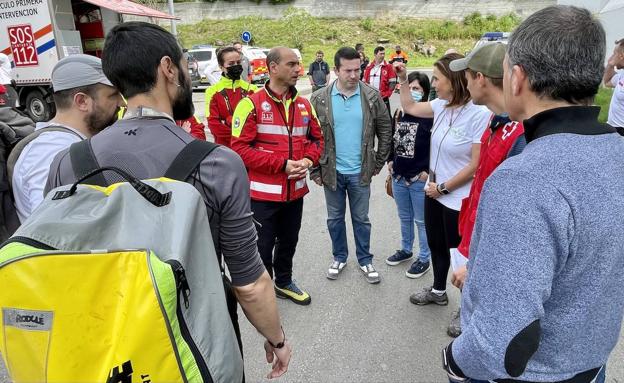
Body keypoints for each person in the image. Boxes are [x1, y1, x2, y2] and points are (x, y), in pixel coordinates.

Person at [45, 22, 291, 380]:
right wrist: (277, 339)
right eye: (185, 65)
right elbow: (249, 283)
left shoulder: (69, 162)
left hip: (107, 347)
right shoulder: (215, 164)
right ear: (168, 69)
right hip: (197, 349)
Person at [441, 6, 620, 383]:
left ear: (517, 78)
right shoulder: (616, 152)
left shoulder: (524, 178)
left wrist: (456, 361)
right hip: (590, 365)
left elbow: (501, 343)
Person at [393, 55, 490, 322]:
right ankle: (438, 291)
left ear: (455, 81)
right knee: (436, 244)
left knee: (460, 255)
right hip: (434, 191)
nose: (433, 84)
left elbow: (475, 164)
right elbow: (410, 106)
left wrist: (444, 188)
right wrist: (403, 79)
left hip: (457, 197)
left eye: (437, 79)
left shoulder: (479, 114)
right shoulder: (441, 105)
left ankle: (466, 310)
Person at [443, 42, 526, 338]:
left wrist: (479, 268)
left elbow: (516, 226)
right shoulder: (496, 120)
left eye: (466, 75)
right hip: (473, 237)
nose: (463, 82)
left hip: (488, 260)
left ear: (480, 79)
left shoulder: (521, 136)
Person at [231, 47, 323, 306]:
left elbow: (318, 139)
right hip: (262, 195)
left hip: (295, 193)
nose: (298, 70)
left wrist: (307, 160)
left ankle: (283, 282)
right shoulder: (250, 104)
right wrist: (281, 165)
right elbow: (239, 149)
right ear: (272, 68)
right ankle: (263, 292)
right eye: (292, 64)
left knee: (289, 241)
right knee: (262, 246)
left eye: (299, 64)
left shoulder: (305, 105)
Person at [310, 47, 392, 284]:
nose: (354, 75)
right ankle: (339, 257)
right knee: (334, 219)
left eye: (358, 69)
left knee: (361, 219)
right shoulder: (319, 99)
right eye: (348, 70)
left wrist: (378, 161)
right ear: (335, 70)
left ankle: (365, 260)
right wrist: (314, 169)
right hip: (331, 171)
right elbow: (309, 137)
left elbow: (385, 129)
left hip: (360, 172)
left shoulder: (372, 96)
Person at [12, 54, 122, 223]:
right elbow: (51, 228)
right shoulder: (52, 151)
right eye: (113, 95)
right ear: (82, 101)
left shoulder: (64, 143)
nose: (121, 103)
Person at [385, 71, 432, 280]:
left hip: (418, 179)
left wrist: (427, 172)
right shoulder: (398, 113)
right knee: (404, 217)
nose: (412, 92)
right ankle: (406, 249)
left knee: (421, 221)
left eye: (417, 89)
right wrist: (390, 161)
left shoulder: (431, 117)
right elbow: (393, 141)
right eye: (409, 87)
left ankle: (424, 258)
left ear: (425, 93)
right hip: (399, 177)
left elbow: (437, 148)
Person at [205, 46, 258, 147]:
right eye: (231, 63)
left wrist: (228, 121)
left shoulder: (253, 90)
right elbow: (214, 125)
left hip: (250, 150)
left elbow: (257, 123)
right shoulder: (212, 92)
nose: (236, 66)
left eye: (238, 62)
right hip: (225, 150)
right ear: (221, 67)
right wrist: (241, 135)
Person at [363, 46, 396, 115]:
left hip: (383, 98)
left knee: (385, 119)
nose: (383, 55)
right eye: (381, 54)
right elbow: (364, 82)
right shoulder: (369, 67)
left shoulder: (388, 67)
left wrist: (387, 94)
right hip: (370, 98)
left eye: (384, 54)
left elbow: (392, 82)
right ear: (375, 55)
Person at [604, 38, 624, 135]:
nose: (612, 57)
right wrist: (610, 64)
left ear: (621, 56)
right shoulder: (622, 75)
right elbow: (607, 82)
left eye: (614, 53)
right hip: (613, 129)